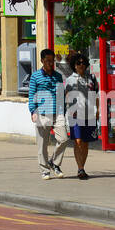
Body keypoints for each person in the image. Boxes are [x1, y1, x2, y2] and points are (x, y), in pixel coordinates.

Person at [28, 48, 67, 179]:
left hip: (57, 113)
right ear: (42, 61)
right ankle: (44, 169)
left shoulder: (58, 76)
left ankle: (54, 162)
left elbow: (61, 95)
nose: (51, 64)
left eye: (52, 61)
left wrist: (64, 111)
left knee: (63, 139)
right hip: (42, 113)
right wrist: (33, 111)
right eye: (48, 61)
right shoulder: (35, 76)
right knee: (42, 144)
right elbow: (32, 95)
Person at [63, 53, 99, 179]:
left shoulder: (92, 78)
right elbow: (65, 97)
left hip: (89, 114)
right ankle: (80, 168)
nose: (81, 65)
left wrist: (97, 110)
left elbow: (96, 95)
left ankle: (82, 167)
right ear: (74, 65)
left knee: (85, 142)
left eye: (83, 62)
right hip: (75, 115)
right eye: (78, 63)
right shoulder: (69, 80)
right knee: (78, 141)